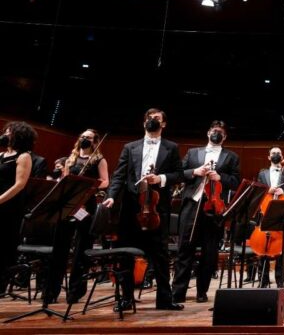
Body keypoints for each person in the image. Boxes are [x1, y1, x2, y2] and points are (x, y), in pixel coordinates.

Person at [102, 108, 184, 311]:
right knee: (126, 256)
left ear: (163, 124)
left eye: (156, 118)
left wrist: (160, 179)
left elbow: (179, 174)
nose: (152, 121)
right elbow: (119, 175)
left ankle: (164, 300)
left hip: (157, 209)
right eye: (149, 118)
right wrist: (111, 196)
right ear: (143, 122)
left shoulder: (171, 147)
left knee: (161, 256)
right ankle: (126, 299)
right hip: (131, 208)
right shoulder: (130, 147)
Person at [172, 121, 240, 304]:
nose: (216, 134)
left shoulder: (231, 157)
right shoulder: (193, 152)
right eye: (214, 131)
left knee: (210, 253)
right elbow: (179, 174)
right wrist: (195, 171)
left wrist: (220, 177)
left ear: (224, 137)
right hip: (191, 205)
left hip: (214, 208)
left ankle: (202, 291)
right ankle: (178, 292)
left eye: (220, 132)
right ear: (208, 133)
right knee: (184, 250)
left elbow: (235, 181)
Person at [57, 129, 110, 304]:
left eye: (88, 138)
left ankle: (75, 291)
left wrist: (88, 186)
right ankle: (52, 291)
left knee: (81, 248)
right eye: (82, 137)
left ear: (94, 141)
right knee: (61, 246)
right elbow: (65, 179)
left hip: (85, 206)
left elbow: (105, 182)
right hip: (68, 205)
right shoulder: (70, 159)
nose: (84, 139)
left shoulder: (98, 160)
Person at [0, 121, 36, 295]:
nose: (6, 134)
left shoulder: (24, 157)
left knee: (3, 247)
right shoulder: (1, 155)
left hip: (9, 207)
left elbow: (20, 185)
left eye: (9, 132)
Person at [256, 146, 284, 288]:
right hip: (265, 213)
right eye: (273, 153)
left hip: (281, 213)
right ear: (268, 157)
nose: (275, 155)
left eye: (278, 153)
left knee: (281, 250)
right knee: (263, 248)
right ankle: (263, 280)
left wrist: (282, 190)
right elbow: (258, 191)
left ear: (282, 156)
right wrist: (268, 190)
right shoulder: (262, 173)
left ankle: (280, 282)